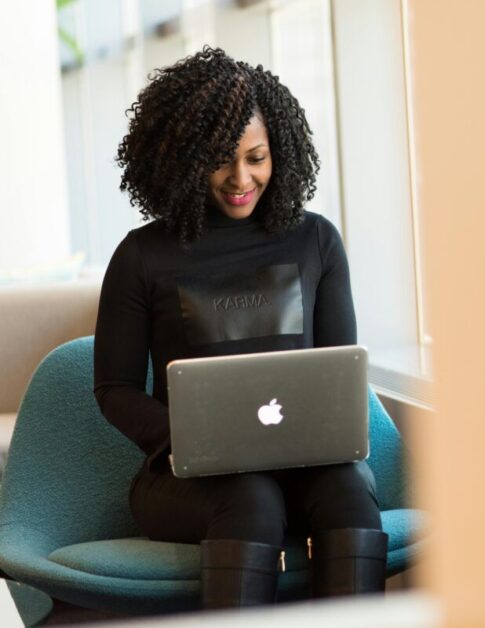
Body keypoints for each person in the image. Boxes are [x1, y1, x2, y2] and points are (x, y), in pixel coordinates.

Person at [93, 46, 387, 609]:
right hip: (189, 478)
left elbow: (337, 373)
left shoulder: (316, 241)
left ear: (281, 151)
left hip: (308, 465)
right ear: (181, 159)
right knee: (252, 497)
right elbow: (115, 390)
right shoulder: (140, 256)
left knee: (349, 492)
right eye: (220, 160)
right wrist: (198, 440)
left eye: (257, 157)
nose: (240, 178)